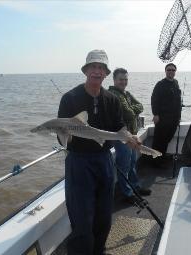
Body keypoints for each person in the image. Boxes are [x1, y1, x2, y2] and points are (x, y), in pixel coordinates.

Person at [58, 50, 140, 255]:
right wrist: (65, 135)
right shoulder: (69, 98)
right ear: (86, 71)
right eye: (93, 67)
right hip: (78, 162)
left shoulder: (112, 100)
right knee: (81, 217)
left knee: (104, 215)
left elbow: (120, 127)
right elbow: (60, 138)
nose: (97, 71)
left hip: (104, 160)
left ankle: (99, 250)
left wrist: (130, 138)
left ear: (105, 73)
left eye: (101, 68)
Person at [108, 68, 151, 204]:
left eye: (126, 79)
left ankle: (135, 186)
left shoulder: (126, 93)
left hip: (132, 135)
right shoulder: (113, 94)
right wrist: (133, 109)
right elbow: (129, 114)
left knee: (132, 162)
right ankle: (127, 193)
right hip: (122, 136)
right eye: (121, 79)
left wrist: (132, 108)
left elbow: (140, 106)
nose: (124, 82)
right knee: (124, 165)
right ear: (114, 80)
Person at [151, 63, 181, 165]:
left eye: (173, 70)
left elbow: (178, 102)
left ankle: (162, 156)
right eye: (169, 70)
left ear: (175, 72)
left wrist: (179, 117)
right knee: (159, 140)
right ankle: (156, 161)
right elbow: (154, 100)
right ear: (165, 71)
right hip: (162, 117)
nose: (171, 72)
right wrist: (155, 114)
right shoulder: (160, 84)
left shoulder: (176, 83)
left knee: (167, 138)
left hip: (174, 118)